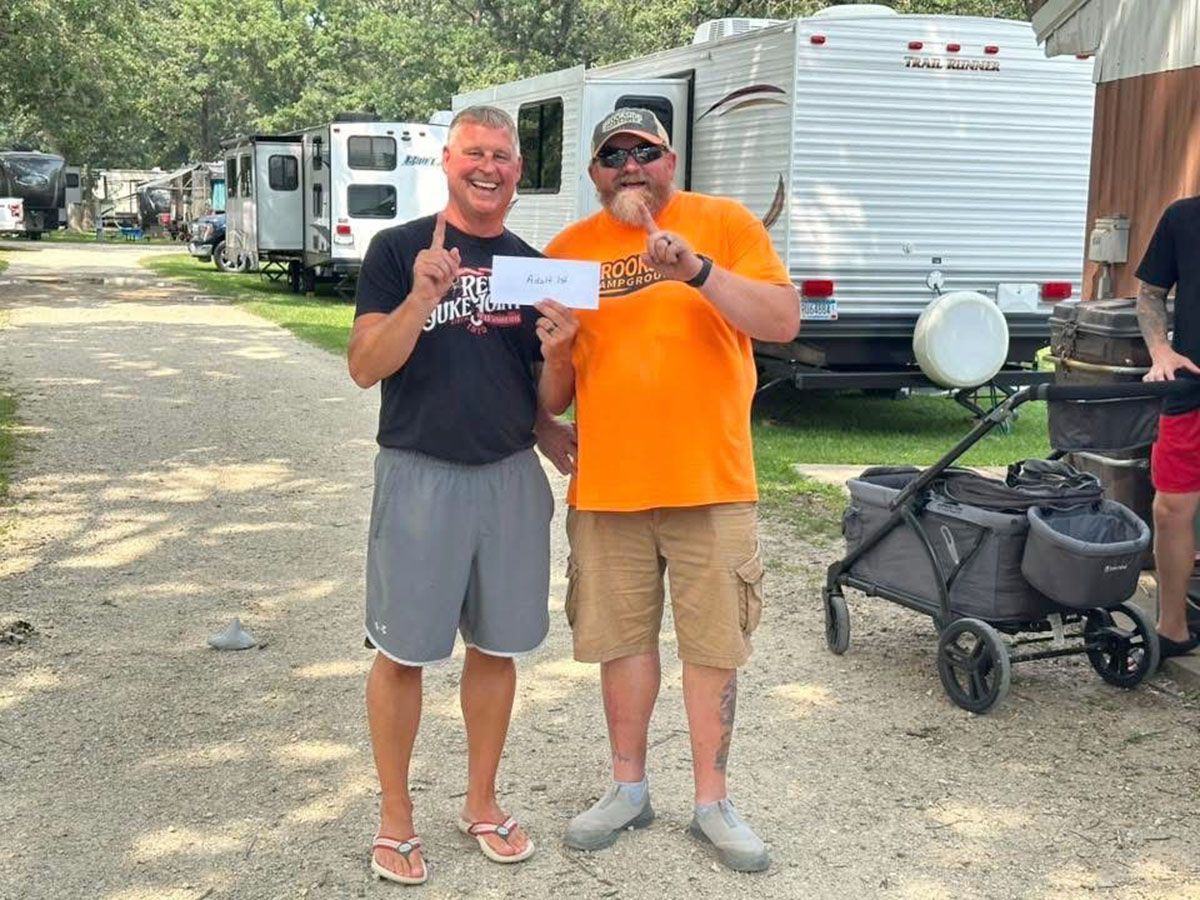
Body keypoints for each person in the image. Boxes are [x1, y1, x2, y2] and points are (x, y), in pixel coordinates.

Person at [541, 108, 800, 872]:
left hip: (711, 482)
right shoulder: (568, 253)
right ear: (594, 173)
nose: (629, 165)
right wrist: (555, 353)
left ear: (671, 159)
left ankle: (713, 803)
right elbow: (553, 394)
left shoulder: (723, 224)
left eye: (643, 152)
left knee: (713, 648)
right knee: (619, 643)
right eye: (612, 154)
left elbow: (783, 320)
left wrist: (698, 272)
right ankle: (628, 789)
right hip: (608, 488)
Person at [348, 105, 578, 886]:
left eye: (504, 156)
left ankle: (481, 802)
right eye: (475, 153)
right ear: (448, 161)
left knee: (497, 648)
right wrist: (419, 297)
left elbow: (549, 394)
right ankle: (395, 816)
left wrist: (561, 352)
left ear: (518, 170)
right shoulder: (396, 249)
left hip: (509, 476)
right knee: (403, 653)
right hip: (420, 474)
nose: (490, 167)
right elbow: (364, 367)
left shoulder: (529, 265)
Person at [1136, 194, 1200, 657]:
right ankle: (1172, 629)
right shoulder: (1183, 216)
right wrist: (1160, 350)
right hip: (1192, 386)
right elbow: (1150, 295)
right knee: (1170, 509)